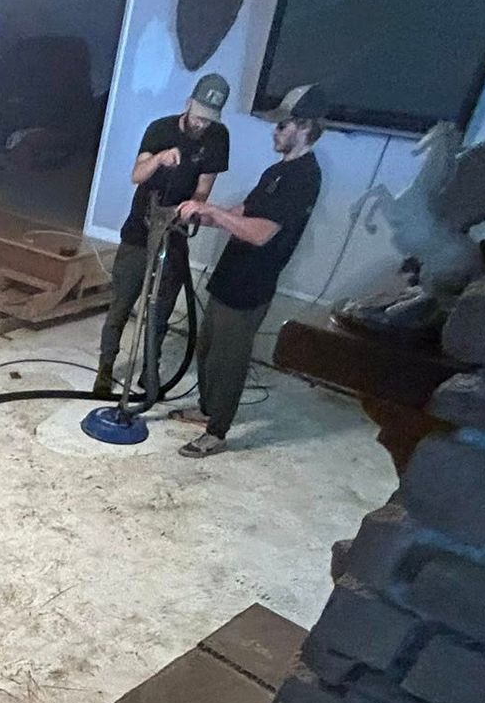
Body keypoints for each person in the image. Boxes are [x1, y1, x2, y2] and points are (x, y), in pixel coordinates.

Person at [172, 100, 324, 457]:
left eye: (282, 126)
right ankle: (207, 410)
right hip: (229, 277)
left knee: (229, 361)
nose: (275, 131)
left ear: (304, 128)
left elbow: (259, 233)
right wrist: (204, 217)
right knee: (208, 349)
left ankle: (217, 432)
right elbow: (246, 212)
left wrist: (210, 210)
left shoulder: (303, 177)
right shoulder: (277, 172)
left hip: (249, 287)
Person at [92, 74, 231, 397]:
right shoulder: (160, 129)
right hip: (139, 232)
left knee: (160, 311)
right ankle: (105, 368)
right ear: (188, 105)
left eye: (208, 120)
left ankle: (149, 371)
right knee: (122, 304)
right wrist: (159, 158)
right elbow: (137, 175)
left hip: (175, 234)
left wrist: (193, 206)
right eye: (198, 116)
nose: (201, 125)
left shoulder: (217, 138)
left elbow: (205, 186)